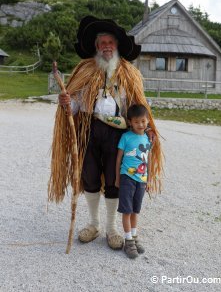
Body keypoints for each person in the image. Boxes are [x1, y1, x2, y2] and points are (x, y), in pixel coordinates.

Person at [48, 15, 163, 251]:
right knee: (89, 176)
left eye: (111, 42)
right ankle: (93, 223)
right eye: (102, 43)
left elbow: (137, 105)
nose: (107, 46)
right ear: (96, 47)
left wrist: (147, 128)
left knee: (113, 180)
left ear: (117, 46)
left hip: (118, 135)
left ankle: (111, 228)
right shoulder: (85, 70)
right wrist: (67, 103)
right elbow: (77, 105)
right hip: (89, 131)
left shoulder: (128, 73)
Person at [115, 104, 153, 258]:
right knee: (127, 210)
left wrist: (148, 179)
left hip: (141, 180)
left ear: (148, 120)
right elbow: (118, 159)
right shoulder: (126, 137)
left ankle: (134, 237)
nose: (140, 125)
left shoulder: (147, 138)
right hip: (127, 178)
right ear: (130, 122)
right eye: (137, 122)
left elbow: (149, 159)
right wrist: (117, 178)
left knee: (136, 210)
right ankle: (128, 240)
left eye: (143, 121)